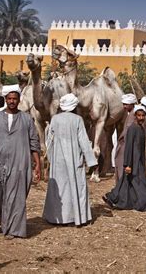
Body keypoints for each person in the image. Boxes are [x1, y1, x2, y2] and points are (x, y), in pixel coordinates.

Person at [0, 87, 40, 239]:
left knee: (15, 198)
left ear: (19, 100)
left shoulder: (26, 119)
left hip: (19, 164)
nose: (12, 101)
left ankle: (13, 229)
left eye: (14, 99)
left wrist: (37, 164)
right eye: (9, 99)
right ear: (5, 99)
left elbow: (34, 142)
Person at [42, 93, 98, 226]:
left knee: (60, 189)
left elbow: (49, 141)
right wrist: (92, 162)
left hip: (58, 160)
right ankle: (76, 217)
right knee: (76, 187)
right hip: (74, 159)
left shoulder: (55, 119)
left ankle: (57, 217)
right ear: (74, 106)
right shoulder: (78, 119)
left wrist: (51, 158)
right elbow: (84, 142)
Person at [103, 105, 146, 211]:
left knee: (125, 182)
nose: (141, 118)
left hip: (138, 159)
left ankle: (112, 197)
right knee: (141, 182)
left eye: (143, 116)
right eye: (139, 116)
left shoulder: (140, 128)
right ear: (135, 116)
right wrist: (128, 164)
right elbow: (129, 147)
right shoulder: (132, 129)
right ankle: (144, 204)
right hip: (133, 161)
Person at [115, 94, 146, 182]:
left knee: (126, 170)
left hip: (129, 149)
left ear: (132, 104)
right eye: (123, 104)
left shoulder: (136, 116)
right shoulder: (133, 114)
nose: (124, 106)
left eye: (126, 104)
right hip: (130, 148)